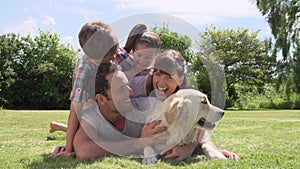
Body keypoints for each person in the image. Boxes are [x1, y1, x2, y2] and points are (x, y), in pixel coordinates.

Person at [129, 49, 238, 160]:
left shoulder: (188, 102)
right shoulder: (141, 100)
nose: (161, 83)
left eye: (169, 77)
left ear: (180, 80)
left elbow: (202, 136)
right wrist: (143, 141)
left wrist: (206, 149)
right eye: (157, 75)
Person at [53, 62, 167, 160]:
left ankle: (59, 127)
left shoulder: (147, 106)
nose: (131, 93)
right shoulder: (92, 115)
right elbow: (83, 151)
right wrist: (139, 143)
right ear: (101, 99)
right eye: (121, 89)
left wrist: (185, 149)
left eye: (127, 85)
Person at [48, 20, 119, 157]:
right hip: (90, 104)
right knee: (84, 133)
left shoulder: (109, 52)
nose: (114, 59)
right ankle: (67, 134)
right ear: (93, 58)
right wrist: (69, 148)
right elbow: (76, 106)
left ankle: (60, 127)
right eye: (109, 58)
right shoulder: (84, 67)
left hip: (103, 103)